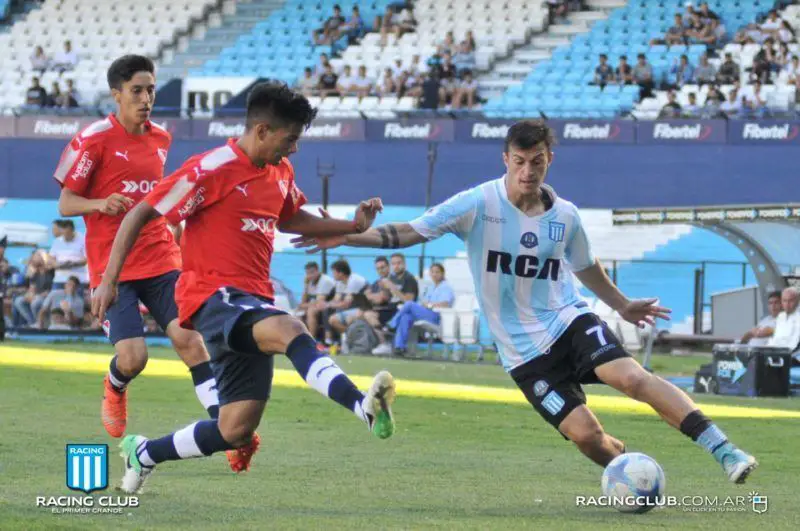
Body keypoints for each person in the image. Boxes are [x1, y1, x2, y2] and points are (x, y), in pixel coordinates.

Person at [293, 119, 758, 484]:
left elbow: (585, 266)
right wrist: (348, 233)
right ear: (506, 159)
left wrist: (620, 305)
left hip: (567, 320)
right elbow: (409, 231)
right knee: (588, 439)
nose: (527, 171)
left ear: (549, 160)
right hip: (521, 353)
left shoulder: (566, 217)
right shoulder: (477, 203)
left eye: (537, 161)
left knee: (631, 377)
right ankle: (631, 470)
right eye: (519, 161)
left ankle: (725, 450)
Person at [91, 81, 397, 494]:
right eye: (290, 140)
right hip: (211, 297)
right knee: (291, 329)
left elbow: (290, 217)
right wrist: (109, 281)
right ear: (262, 131)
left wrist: (351, 227)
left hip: (249, 302)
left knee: (234, 429)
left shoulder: (279, 171)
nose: (294, 150)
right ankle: (363, 406)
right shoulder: (211, 168)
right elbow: (141, 214)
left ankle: (143, 453)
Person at [51, 55, 255, 470]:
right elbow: (66, 202)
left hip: (162, 258)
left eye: (150, 89)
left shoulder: (160, 137)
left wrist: (177, 229)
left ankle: (226, 431)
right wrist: (100, 203)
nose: (146, 99)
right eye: (137, 91)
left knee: (190, 340)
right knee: (134, 358)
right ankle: (115, 384)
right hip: (113, 267)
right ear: (117, 94)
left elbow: (158, 197)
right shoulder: (92, 140)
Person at [378, 262, 455, 356]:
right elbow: (424, 302)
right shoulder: (431, 288)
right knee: (405, 317)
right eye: (432, 272)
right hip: (426, 313)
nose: (434, 274)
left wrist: (430, 305)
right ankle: (399, 347)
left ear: (442, 274)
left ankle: (391, 325)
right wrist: (424, 304)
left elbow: (445, 304)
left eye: (437, 272)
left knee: (409, 304)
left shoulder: (445, 287)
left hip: (437, 316)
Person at [296, 261, 336, 340]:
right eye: (307, 273)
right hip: (318, 306)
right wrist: (306, 285)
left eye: (312, 272)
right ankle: (302, 339)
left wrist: (303, 305)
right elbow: (303, 301)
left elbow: (319, 302)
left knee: (311, 311)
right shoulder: (309, 282)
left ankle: (312, 340)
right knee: (298, 312)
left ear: (318, 271)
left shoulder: (325, 281)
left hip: (330, 307)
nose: (310, 275)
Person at [46, 219, 88, 288]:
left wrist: (74, 263)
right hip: (60, 279)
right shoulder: (57, 241)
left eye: (67, 234)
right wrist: (57, 264)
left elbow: (87, 259)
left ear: (72, 230)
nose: (65, 236)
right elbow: (50, 258)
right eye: (63, 233)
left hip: (78, 279)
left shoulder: (83, 240)